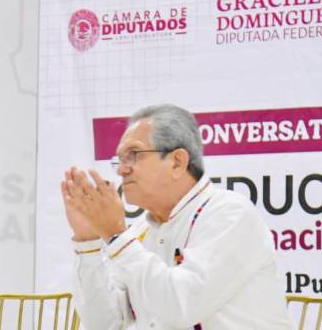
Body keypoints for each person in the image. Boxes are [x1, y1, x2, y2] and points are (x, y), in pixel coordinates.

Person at [60, 104, 291, 329]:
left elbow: (179, 309)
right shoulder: (140, 232)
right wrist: (88, 240)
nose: (121, 169)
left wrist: (116, 235)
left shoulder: (230, 215)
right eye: (119, 160)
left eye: (133, 155)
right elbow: (104, 324)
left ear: (177, 162)